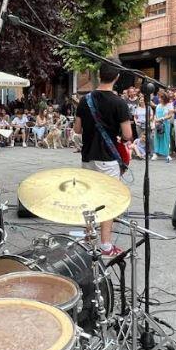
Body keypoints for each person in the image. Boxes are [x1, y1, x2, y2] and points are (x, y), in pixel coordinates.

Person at [74, 62, 132, 257]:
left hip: (88, 156)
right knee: (107, 200)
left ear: (99, 75)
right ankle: (106, 245)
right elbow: (127, 134)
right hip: (107, 158)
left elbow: (77, 130)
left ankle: (88, 238)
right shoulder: (119, 103)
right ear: (117, 77)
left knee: (89, 197)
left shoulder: (85, 100)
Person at [152, 92, 173, 161]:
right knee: (157, 138)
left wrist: (162, 119)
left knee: (166, 138)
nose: (159, 99)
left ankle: (167, 154)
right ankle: (156, 153)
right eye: (159, 97)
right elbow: (155, 114)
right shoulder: (158, 106)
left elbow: (170, 115)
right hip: (158, 124)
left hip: (165, 124)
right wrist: (155, 119)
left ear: (165, 98)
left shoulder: (169, 105)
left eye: (161, 98)